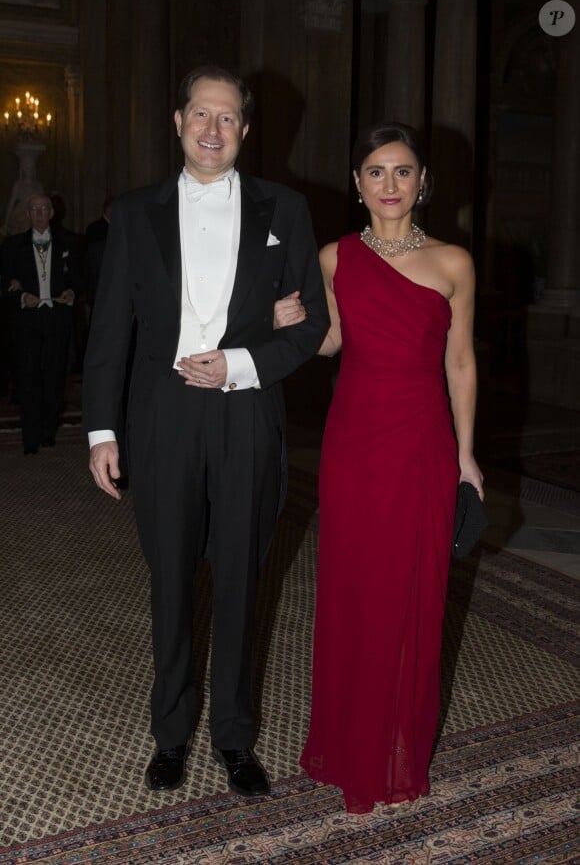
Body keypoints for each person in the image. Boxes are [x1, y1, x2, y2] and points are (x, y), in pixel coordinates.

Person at [82, 64, 329, 798]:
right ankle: (170, 733)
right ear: (179, 121)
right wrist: (101, 429)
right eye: (201, 115)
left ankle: (234, 738)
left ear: (245, 130)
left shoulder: (285, 208)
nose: (213, 130)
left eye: (228, 118)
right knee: (171, 582)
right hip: (160, 419)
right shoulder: (132, 213)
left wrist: (242, 364)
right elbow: (108, 335)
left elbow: (310, 322)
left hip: (245, 413)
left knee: (241, 580)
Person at [276, 122, 483, 814]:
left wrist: (465, 456)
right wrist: (292, 322)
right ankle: (350, 743)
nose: (389, 185)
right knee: (355, 590)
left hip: (420, 443)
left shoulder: (454, 262)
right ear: (356, 182)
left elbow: (460, 361)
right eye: (375, 171)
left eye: (402, 172)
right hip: (355, 443)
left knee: (410, 591)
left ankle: (396, 746)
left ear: (423, 182)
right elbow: (331, 341)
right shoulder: (335, 257)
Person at [0, 194, 77, 454]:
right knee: (29, 378)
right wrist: (20, 295)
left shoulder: (69, 243)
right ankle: (30, 437)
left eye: (44, 209)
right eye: (34, 209)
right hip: (27, 323)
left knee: (54, 378)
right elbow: (5, 284)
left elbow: (81, 279)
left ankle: (48, 431)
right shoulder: (12, 246)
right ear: (28, 214)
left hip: (57, 320)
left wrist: (72, 293)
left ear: (52, 212)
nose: (40, 214)